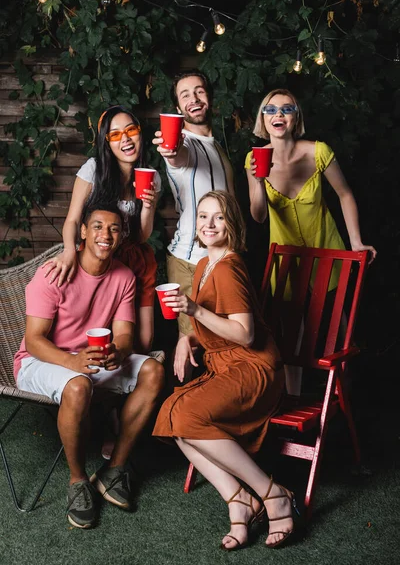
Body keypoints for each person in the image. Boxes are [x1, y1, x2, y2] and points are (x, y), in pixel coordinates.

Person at [153, 191, 297, 550]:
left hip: (254, 368)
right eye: (203, 217)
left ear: (232, 223)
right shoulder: (204, 265)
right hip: (227, 366)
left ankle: (271, 492)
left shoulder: (229, 267)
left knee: (185, 414)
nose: (209, 224)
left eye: (218, 217)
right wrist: (190, 341)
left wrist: (194, 311)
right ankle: (238, 499)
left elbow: (245, 334)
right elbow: (218, 326)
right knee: (174, 415)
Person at [14, 202, 165, 529]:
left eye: (113, 228)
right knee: (78, 385)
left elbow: (124, 335)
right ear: (82, 231)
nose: (105, 235)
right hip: (40, 361)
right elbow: (34, 340)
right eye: (97, 226)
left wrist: (118, 353)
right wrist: (72, 362)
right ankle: (78, 480)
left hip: (92, 359)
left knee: (153, 371)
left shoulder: (123, 276)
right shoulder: (53, 273)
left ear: (121, 235)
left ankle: (115, 468)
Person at [245, 88, 377, 394]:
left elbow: (344, 194)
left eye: (287, 109)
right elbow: (259, 217)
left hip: (329, 252)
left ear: (296, 117)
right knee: (293, 333)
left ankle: (342, 390)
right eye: (271, 110)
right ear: (262, 120)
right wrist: (258, 183)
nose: (279, 115)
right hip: (287, 260)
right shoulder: (254, 159)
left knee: (338, 326)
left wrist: (355, 242)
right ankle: (293, 398)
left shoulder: (318, 151)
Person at [44, 105, 161, 355]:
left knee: (144, 341)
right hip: (101, 258)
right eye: (115, 134)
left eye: (131, 130)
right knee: (103, 336)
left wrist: (148, 207)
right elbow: (73, 220)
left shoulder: (152, 177)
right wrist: (68, 251)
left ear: (140, 133)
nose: (126, 139)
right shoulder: (93, 169)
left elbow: (140, 236)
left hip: (137, 259)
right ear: (106, 142)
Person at [152, 69, 235, 338]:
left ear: (209, 97)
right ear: (178, 107)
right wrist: (170, 149)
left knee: (224, 340)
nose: (194, 99)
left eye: (199, 91)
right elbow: (177, 156)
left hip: (222, 259)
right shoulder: (184, 142)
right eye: (185, 95)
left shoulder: (215, 145)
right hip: (190, 262)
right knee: (192, 343)